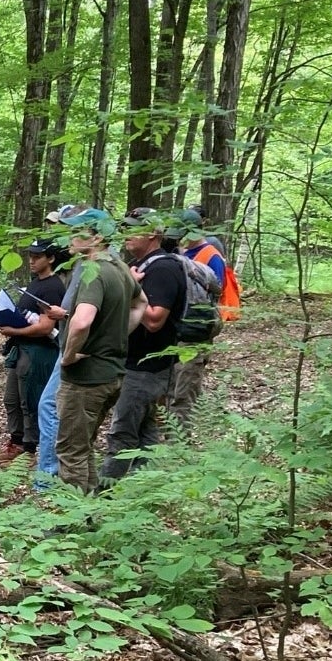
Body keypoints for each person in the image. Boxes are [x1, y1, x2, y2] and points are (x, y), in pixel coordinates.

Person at [53, 210, 146, 494]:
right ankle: (88, 511)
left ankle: (68, 524)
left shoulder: (94, 272)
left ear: (96, 237)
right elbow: (140, 303)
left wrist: (68, 356)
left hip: (86, 379)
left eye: (76, 232)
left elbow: (81, 321)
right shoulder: (118, 266)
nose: (69, 238)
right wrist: (115, 336)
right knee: (83, 447)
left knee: (70, 452)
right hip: (111, 374)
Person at [98, 207, 189, 484]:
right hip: (138, 363)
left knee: (123, 430)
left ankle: (102, 493)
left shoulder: (163, 268)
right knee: (146, 430)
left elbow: (154, 320)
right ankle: (146, 486)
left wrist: (127, 290)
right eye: (124, 227)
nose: (126, 233)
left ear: (153, 234)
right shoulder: (145, 265)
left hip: (147, 366)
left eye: (133, 228)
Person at [0, 240, 68, 463]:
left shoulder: (52, 286)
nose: (32, 260)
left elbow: (46, 327)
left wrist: (14, 329)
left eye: (38, 256)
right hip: (22, 348)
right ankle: (15, 442)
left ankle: (30, 448)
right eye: (31, 256)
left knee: (30, 400)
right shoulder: (36, 283)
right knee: (12, 399)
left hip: (38, 351)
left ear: (51, 258)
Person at [168, 208, 228, 428]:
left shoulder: (212, 255)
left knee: (185, 386)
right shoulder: (182, 253)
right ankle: (171, 429)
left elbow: (216, 292)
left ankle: (181, 438)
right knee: (171, 384)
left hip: (195, 329)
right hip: (175, 328)